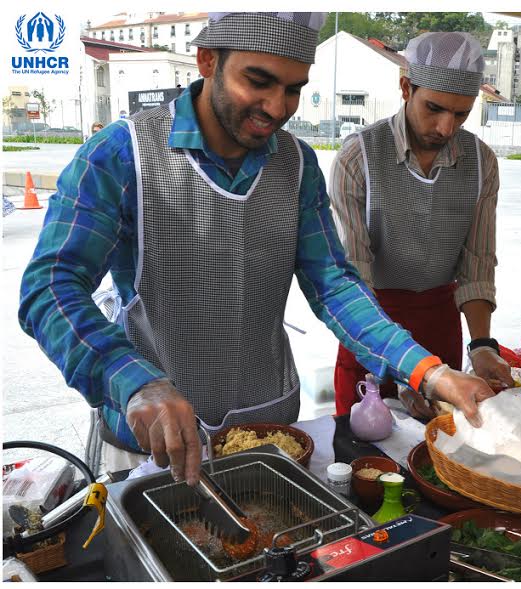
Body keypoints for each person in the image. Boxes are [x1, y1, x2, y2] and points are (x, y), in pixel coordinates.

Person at [19, 13, 494, 487]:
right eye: (259, 81)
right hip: (150, 437)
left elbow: (334, 286)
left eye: (293, 88)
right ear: (208, 60)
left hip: (269, 429)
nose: (276, 106)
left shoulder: (296, 164)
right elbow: (50, 290)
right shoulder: (122, 154)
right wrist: (134, 381)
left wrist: (427, 371)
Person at [329, 32, 513, 418]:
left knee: (437, 449)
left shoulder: (481, 163)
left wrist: (482, 346)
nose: (446, 128)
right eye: (434, 108)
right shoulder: (358, 157)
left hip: (439, 322)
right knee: (364, 452)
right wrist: (406, 369)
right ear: (405, 87)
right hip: (370, 322)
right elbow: (351, 275)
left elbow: (478, 263)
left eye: (461, 114)